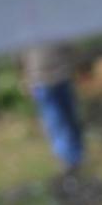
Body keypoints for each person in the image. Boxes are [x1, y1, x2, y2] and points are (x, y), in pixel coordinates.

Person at [21, 40, 84, 174]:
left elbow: (69, 45)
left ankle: (75, 157)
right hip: (42, 79)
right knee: (56, 120)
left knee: (67, 118)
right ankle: (69, 160)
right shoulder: (25, 32)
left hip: (60, 75)